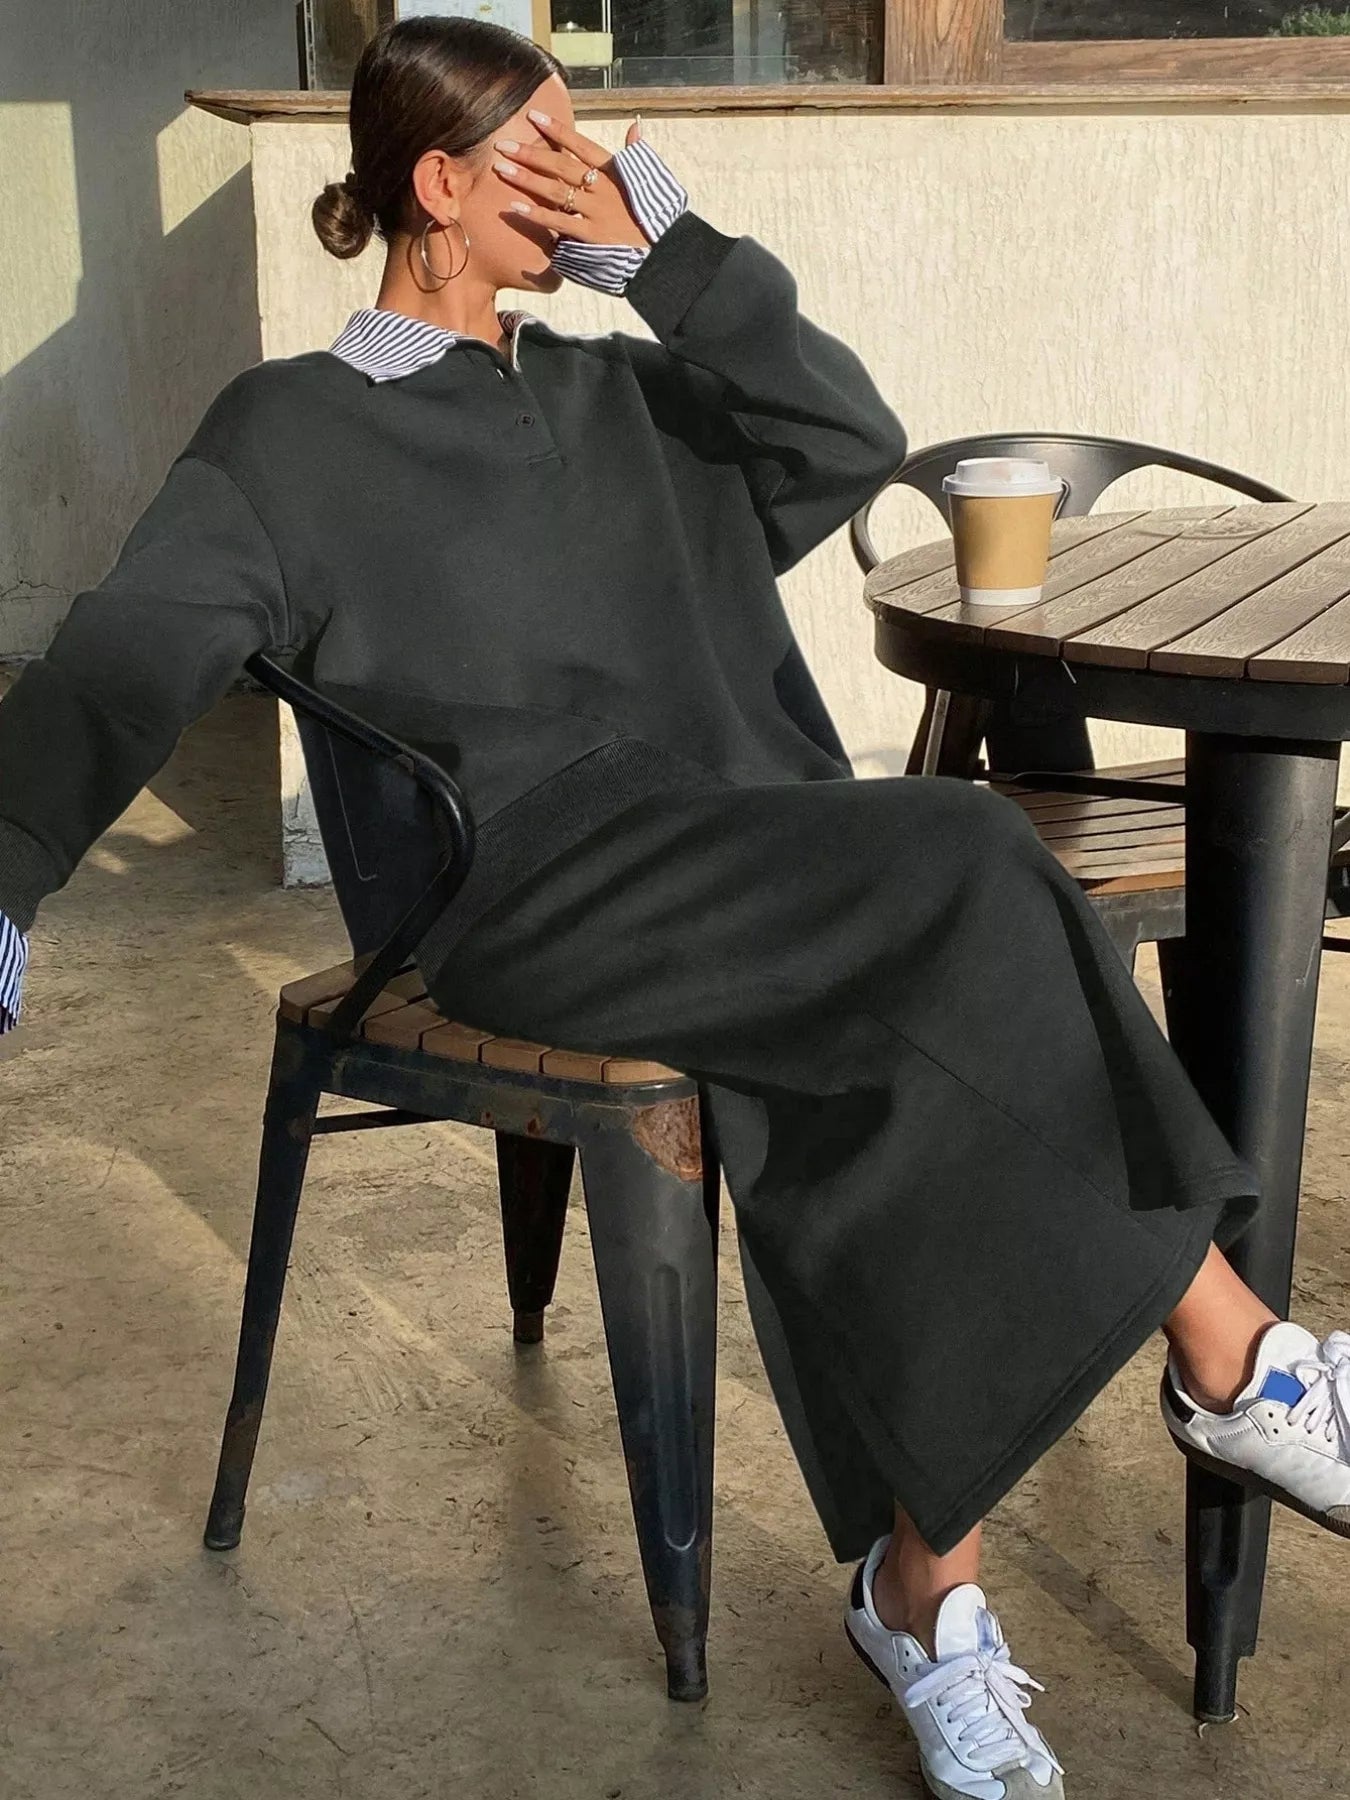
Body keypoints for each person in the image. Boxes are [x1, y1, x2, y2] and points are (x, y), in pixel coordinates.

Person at [2, 16, 1348, 1796]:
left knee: (895, 1041)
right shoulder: (291, 430)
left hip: (748, 853)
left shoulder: (623, 393)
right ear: (438, 186)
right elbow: (123, 655)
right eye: (552, 153)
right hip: (527, 887)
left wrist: (675, 262)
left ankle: (924, 1593)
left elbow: (845, 435)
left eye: (603, 155)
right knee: (966, 861)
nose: (596, 180)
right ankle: (1236, 1363)